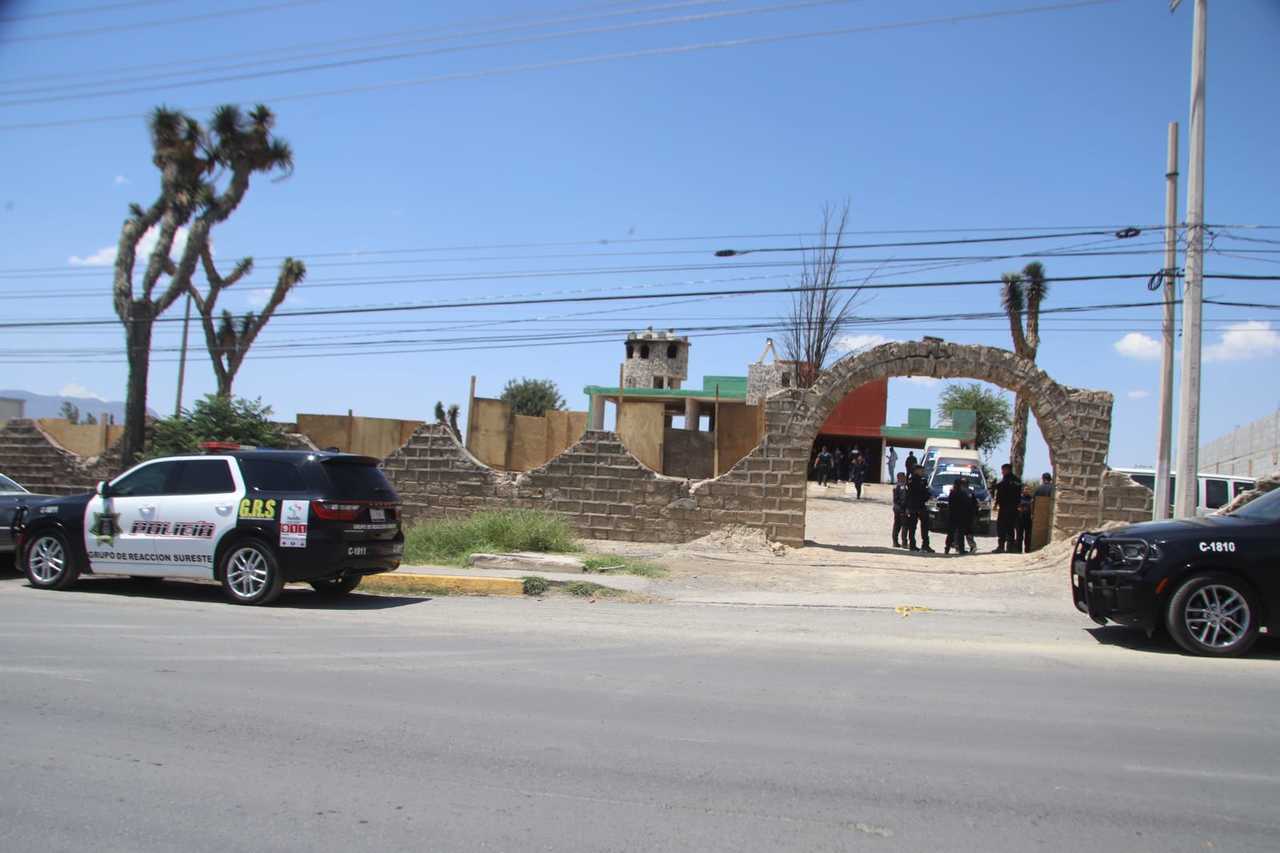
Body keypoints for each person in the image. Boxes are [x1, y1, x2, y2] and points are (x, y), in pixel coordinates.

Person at [992, 463, 1023, 553]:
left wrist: (996, 504)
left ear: (1007, 470)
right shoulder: (1016, 480)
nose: (1002, 472)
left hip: (1006, 507)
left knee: (1002, 527)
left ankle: (1002, 547)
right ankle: (1009, 547)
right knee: (1010, 527)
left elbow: (1000, 493)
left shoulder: (1006, 481)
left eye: (1003, 470)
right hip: (1012, 508)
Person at [906, 464, 934, 553]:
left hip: (922, 506)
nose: (923, 472)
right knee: (912, 527)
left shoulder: (923, 480)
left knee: (925, 526)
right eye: (921, 470)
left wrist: (927, 496)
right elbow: (912, 494)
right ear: (916, 471)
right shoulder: (911, 481)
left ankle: (925, 545)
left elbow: (926, 492)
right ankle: (912, 545)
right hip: (914, 506)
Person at [946, 476, 977, 555]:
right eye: (963, 484)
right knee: (959, 533)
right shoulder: (962, 493)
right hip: (961, 516)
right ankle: (960, 549)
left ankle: (948, 548)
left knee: (953, 533)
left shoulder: (953, 492)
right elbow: (968, 504)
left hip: (955, 516)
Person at [891, 472, 909, 548]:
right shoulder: (902, 487)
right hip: (901, 509)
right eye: (903, 477)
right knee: (904, 525)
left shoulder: (896, 486)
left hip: (896, 508)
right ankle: (904, 542)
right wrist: (905, 508)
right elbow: (903, 499)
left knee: (897, 525)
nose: (905, 479)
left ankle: (895, 542)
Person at [1016, 483, 1034, 554]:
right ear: (1022, 490)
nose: (1027, 490)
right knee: (1019, 535)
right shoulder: (1019, 498)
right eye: (1025, 489)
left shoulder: (1031, 498)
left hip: (1028, 519)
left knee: (1028, 536)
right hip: (1020, 518)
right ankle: (1018, 550)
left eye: (1028, 489)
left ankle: (1027, 549)